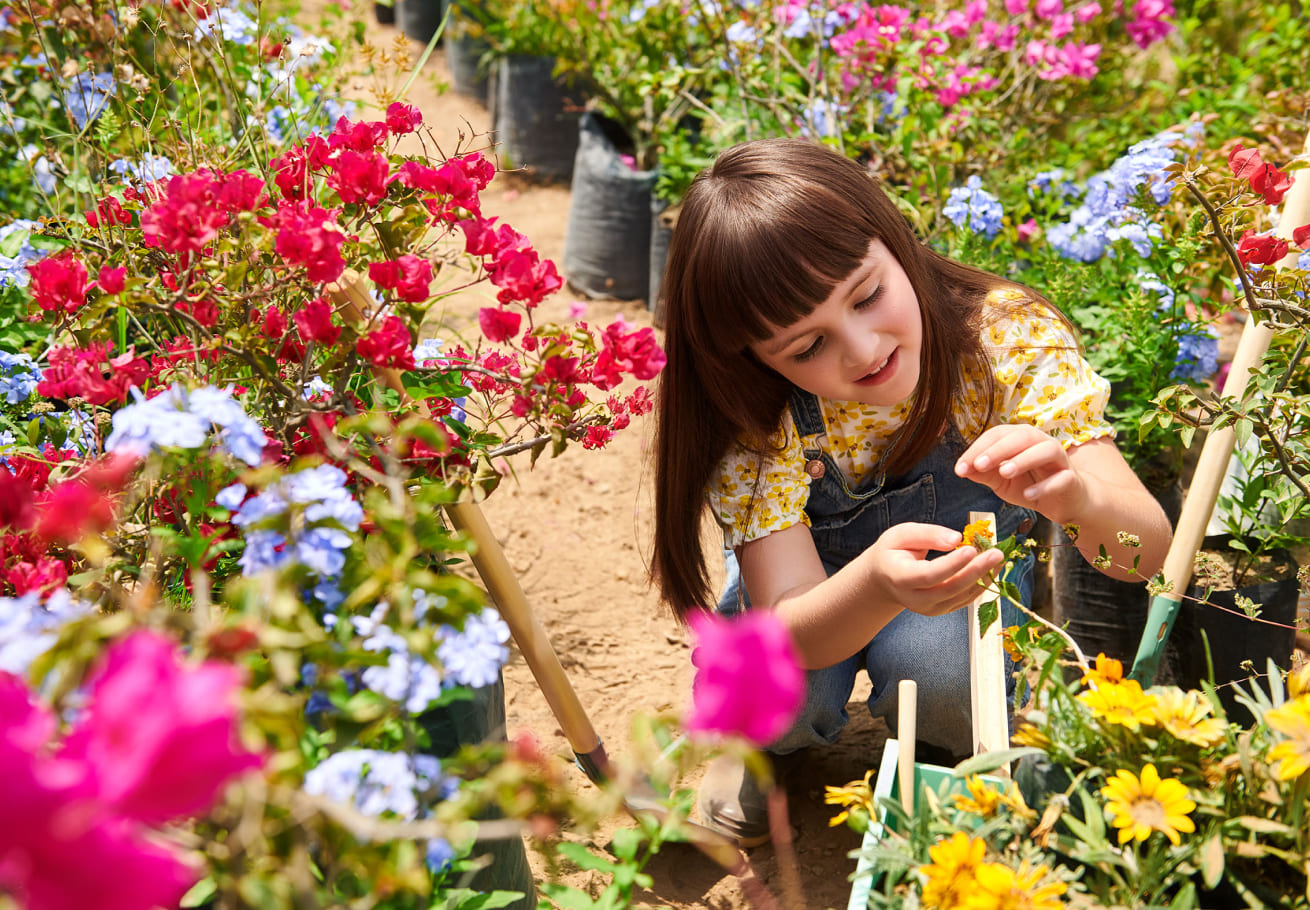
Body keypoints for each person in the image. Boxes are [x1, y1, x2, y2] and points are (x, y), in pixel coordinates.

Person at [649, 138, 1172, 847]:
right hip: (814, 600)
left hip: (958, 588)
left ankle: (939, 754)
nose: (863, 349)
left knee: (943, 676)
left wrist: (1076, 497)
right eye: (806, 348)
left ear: (895, 239)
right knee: (777, 699)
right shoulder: (756, 415)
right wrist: (874, 581)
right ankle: (759, 751)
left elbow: (1146, 556)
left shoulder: (1003, 339)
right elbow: (790, 631)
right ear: (753, 360)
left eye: (867, 295)